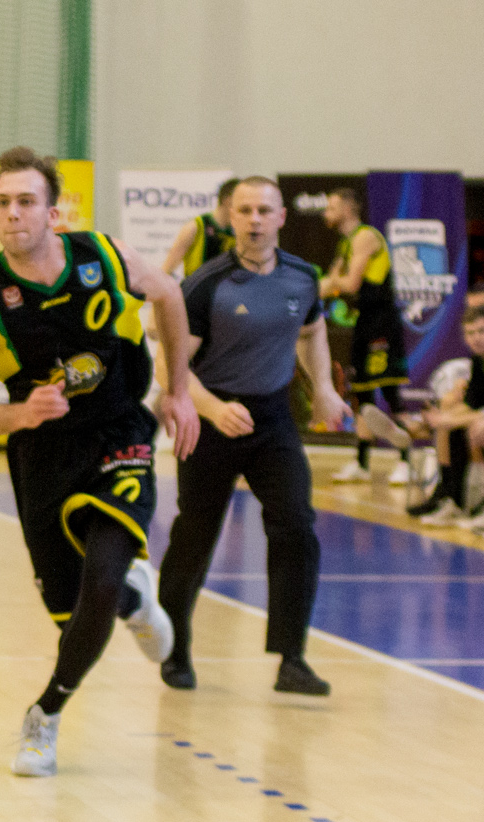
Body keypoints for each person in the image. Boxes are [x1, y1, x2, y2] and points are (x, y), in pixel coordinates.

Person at [0, 147, 201, 778]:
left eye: (26, 202)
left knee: (105, 573)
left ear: (52, 213)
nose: (12, 214)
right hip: (44, 453)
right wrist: (17, 415)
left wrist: (178, 390)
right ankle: (136, 606)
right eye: (1, 203)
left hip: (119, 433)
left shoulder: (105, 256)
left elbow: (168, 295)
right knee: (74, 609)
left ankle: (45, 713)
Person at [155, 176, 353, 697]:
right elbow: (169, 367)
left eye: (264, 210)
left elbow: (311, 334)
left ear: (281, 217)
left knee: (296, 526)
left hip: (272, 420)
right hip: (211, 417)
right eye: (244, 211)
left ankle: (292, 659)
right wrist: (214, 410)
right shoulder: (204, 283)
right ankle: (174, 648)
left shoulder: (303, 277)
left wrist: (326, 391)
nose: (254, 220)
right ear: (230, 218)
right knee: (195, 536)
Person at [320, 187, 412, 484]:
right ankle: (361, 464)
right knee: (362, 394)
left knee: (390, 393)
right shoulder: (345, 244)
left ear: (348, 209)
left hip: (382, 324)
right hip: (364, 323)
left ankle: (407, 461)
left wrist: (333, 281)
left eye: (331, 207)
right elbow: (330, 284)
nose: (326, 213)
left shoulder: (365, 236)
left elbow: (349, 284)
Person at [406, 307, 484, 527]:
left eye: (481, 331)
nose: (476, 338)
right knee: (451, 414)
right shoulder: (478, 362)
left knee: (477, 427)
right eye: (470, 333)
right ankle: (451, 498)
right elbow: (471, 405)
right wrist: (443, 418)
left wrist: (445, 420)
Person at [162, 177, 239, 278]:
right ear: (228, 200)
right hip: (196, 290)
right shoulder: (195, 227)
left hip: (225, 291)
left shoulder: (238, 232)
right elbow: (167, 269)